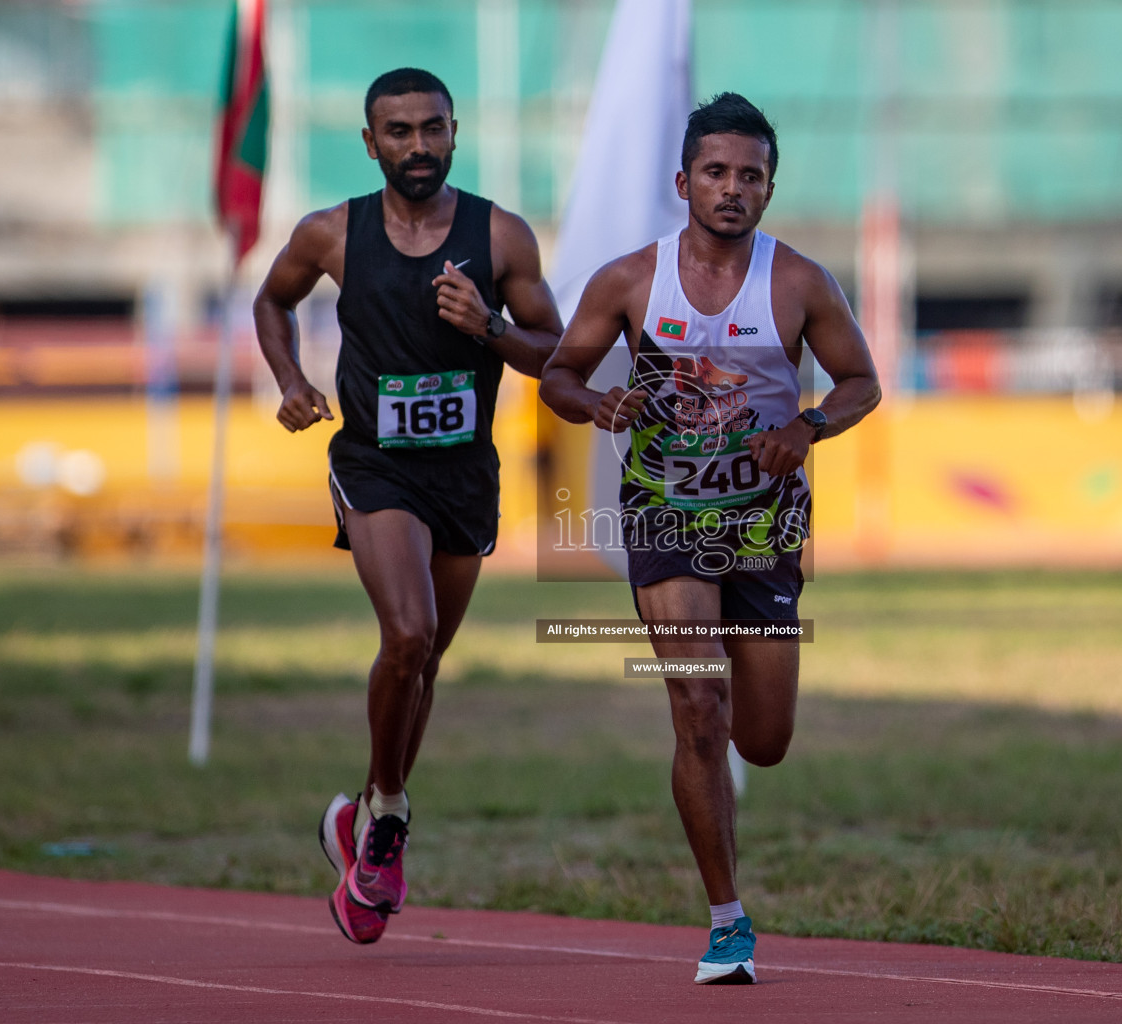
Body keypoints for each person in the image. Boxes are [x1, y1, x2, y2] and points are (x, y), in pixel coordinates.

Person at [540, 93, 880, 984]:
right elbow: (559, 375)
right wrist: (597, 401)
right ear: (684, 181)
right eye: (718, 173)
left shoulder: (800, 282)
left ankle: (736, 774)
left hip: (763, 524)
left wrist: (805, 429)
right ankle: (726, 919)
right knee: (698, 710)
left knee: (761, 739)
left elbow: (861, 383)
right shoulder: (627, 280)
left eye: (751, 176)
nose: (733, 189)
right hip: (662, 513)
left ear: (770, 189)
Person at [252, 68, 563, 945]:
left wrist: (489, 329)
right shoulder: (332, 233)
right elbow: (272, 299)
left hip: (463, 475)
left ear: (455, 133)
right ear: (369, 142)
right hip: (375, 463)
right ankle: (388, 819)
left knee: (422, 666)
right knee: (410, 634)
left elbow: (559, 353)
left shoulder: (500, 235)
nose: (417, 146)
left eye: (432, 129)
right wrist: (289, 378)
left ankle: (364, 813)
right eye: (398, 132)